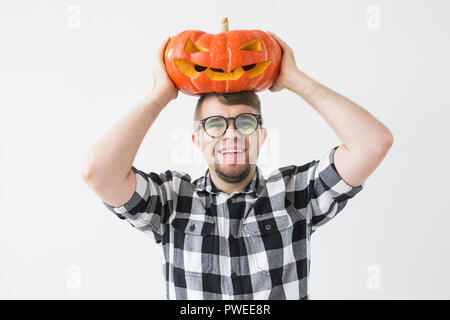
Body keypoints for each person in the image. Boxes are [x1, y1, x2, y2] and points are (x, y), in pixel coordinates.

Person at [81, 32, 394, 299]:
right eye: (215, 124)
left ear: (261, 135)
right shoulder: (171, 199)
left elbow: (373, 143)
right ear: (197, 139)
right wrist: (162, 93)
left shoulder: (295, 194)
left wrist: (294, 79)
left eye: (245, 122)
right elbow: (99, 173)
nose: (231, 134)